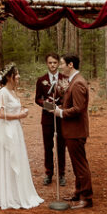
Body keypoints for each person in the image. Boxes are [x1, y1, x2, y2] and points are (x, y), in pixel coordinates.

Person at [0, 64, 44, 210]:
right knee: (9, 159)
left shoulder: (13, 92)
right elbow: (1, 114)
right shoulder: (2, 93)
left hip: (15, 129)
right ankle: (9, 195)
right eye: (17, 73)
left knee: (17, 159)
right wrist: (19, 115)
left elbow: (13, 108)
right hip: (6, 130)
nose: (19, 76)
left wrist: (22, 111)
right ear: (9, 77)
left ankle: (17, 191)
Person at [48, 53, 93, 209]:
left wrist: (60, 113)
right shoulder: (73, 81)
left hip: (76, 130)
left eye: (62, 64)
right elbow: (72, 104)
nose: (60, 67)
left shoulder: (78, 83)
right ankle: (78, 192)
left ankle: (86, 198)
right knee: (76, 163)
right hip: (72, 130)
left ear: (70, 64)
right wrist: (59, 107)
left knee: (80, 165)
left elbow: (78, 108)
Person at [34, 53, 66, 186]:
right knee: (48, 146)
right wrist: (48, 106)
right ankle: (48, 173)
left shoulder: (65, 78)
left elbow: (68, 96)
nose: (52, 65)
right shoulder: (41, 80)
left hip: (61, 117)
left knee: (61, 146)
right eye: (50, 63)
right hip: (47, 117)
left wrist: (61, 106)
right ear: (47, 64)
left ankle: (62, 174)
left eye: (55, 62)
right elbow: (37, 99)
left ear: (58, 63)